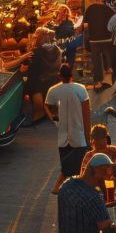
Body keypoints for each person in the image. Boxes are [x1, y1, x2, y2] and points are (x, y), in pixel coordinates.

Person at [46, 64, 92, 194]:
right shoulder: (81, 89)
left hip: (63, 138)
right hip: (79, 136)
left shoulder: (53, 90)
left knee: (67, 168)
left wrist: (55, 120)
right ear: (72, 75)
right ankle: (60, 188)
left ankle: (63, 188)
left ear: (60, 76)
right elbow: (86, 115)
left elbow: (47, 106)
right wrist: (88, 138)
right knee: (78, 168)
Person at [25, 27, 63, 125]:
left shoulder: (37, 52)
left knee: (27, 83)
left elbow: (32, 72)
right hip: (55, 83)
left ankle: (38, 113)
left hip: (39, 86)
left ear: (39, 38)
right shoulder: (57, 50)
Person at [83, 0, 116, 92]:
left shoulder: (88, 9)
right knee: (108, 57)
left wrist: (86, 42)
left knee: (96, 61)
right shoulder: (107, 8)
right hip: (107, 38)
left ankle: (98, 82)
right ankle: (110, 80)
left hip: (94, 40)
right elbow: (115, 18)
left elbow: (85, 26)